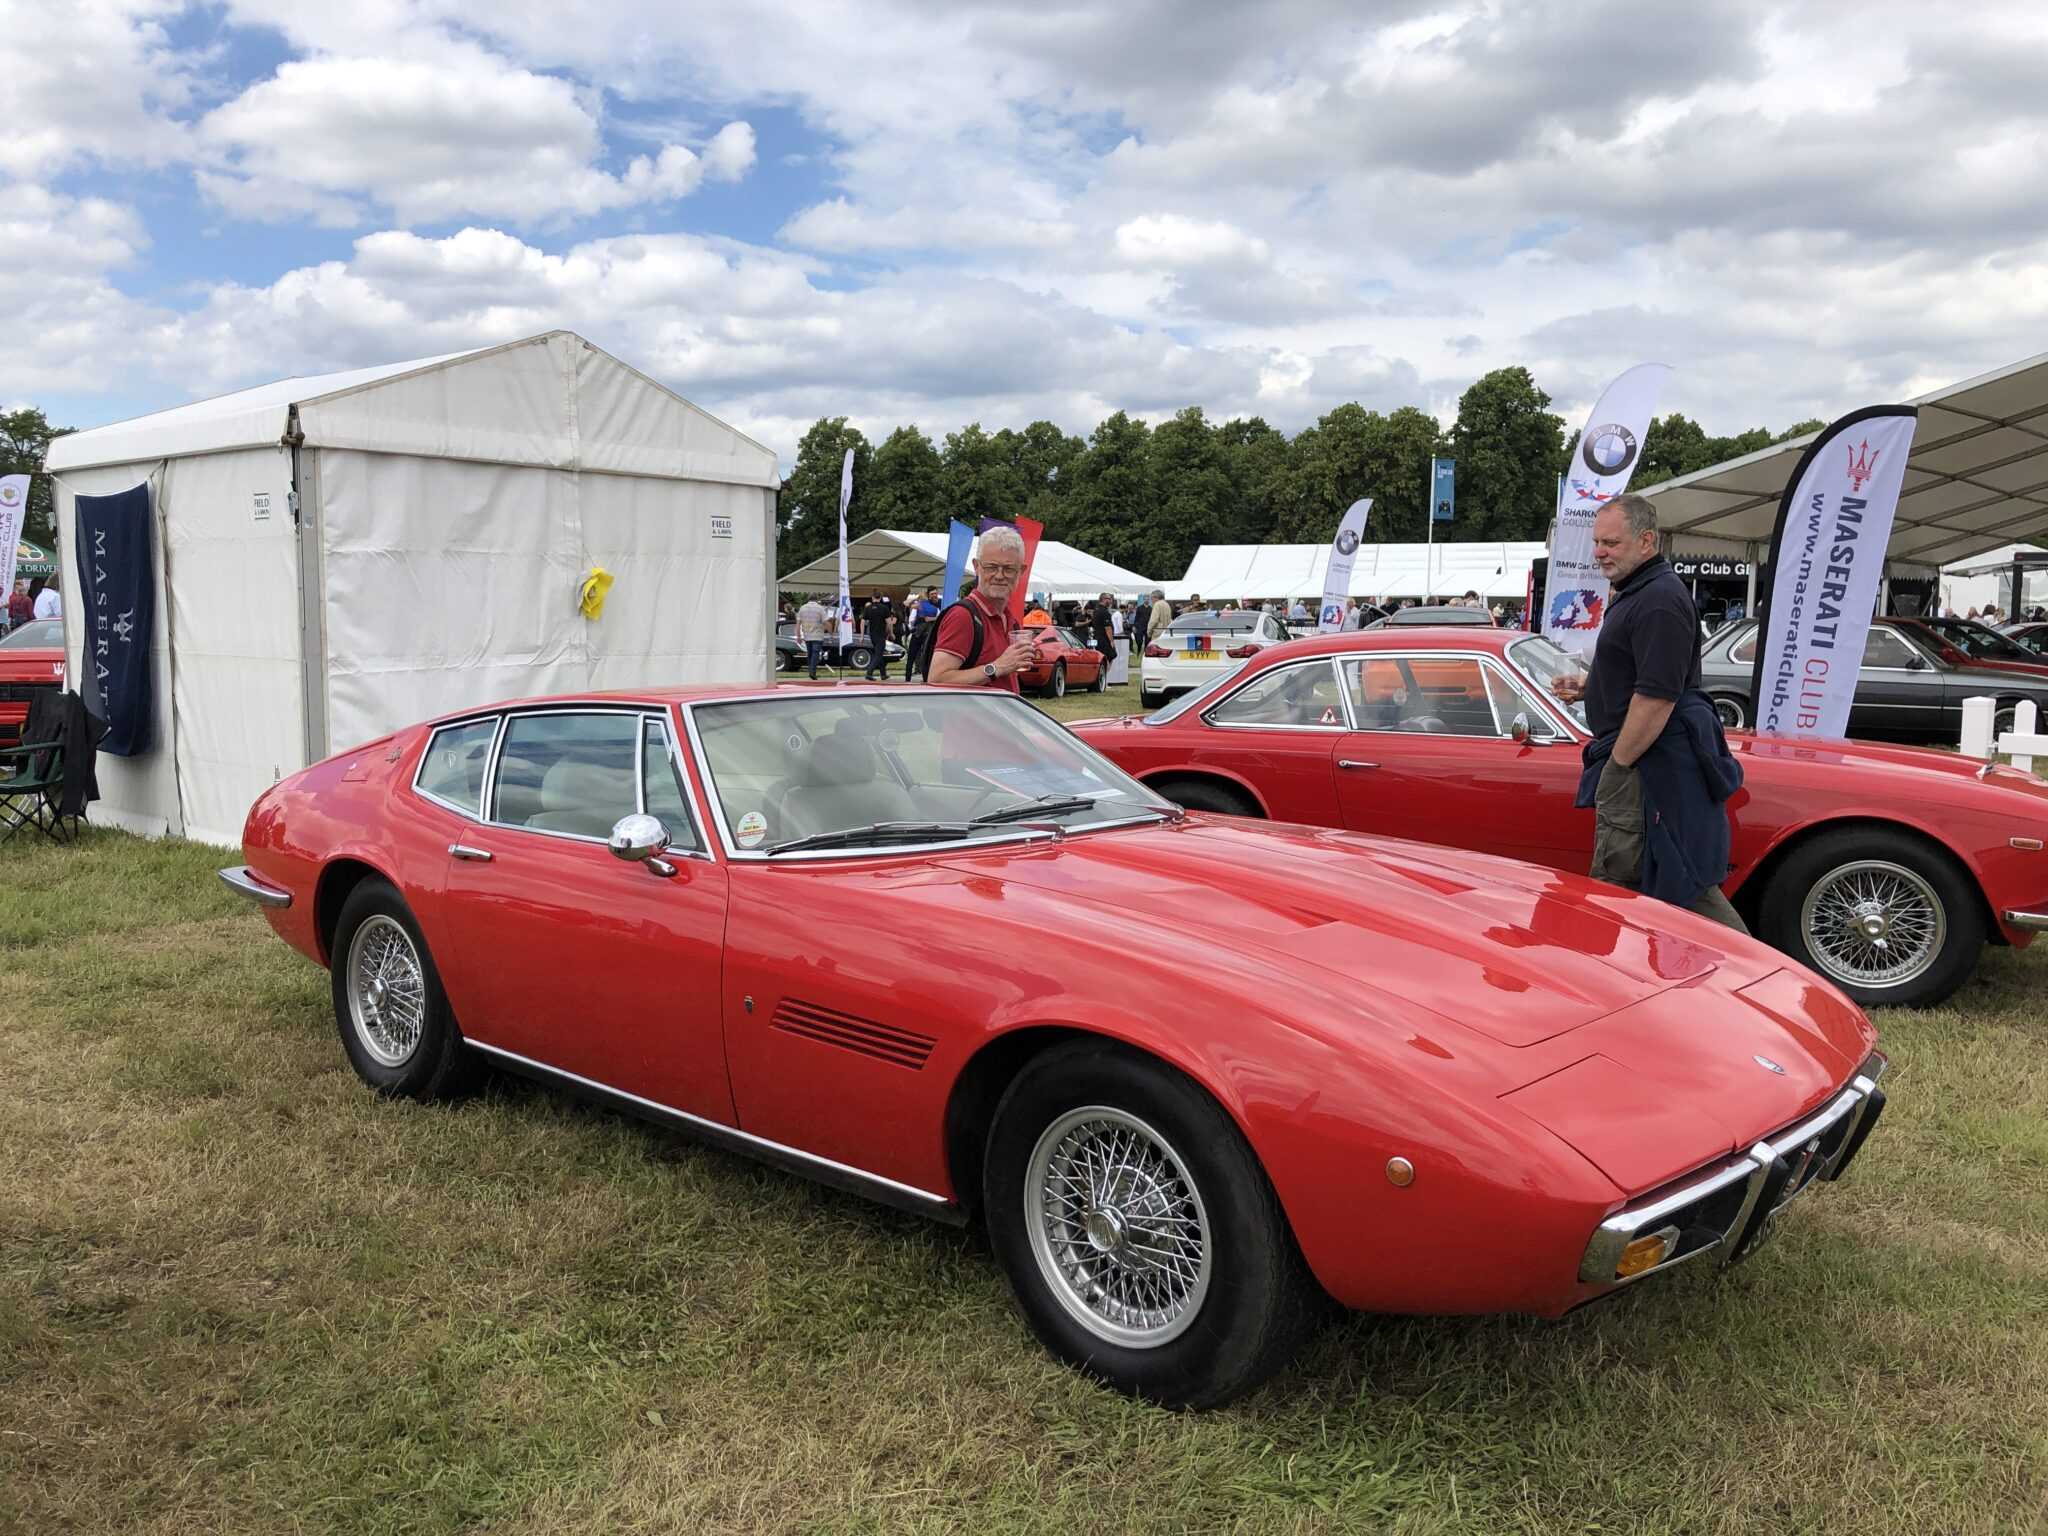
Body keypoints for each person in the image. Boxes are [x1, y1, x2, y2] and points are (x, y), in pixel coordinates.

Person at [1548, 494, 1746, 933]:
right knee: (1667, 884)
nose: (1600, 552)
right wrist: (1591, 689)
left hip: (1649, 769)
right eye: (1597, 542)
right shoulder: (1639, 591)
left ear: (1646, 541)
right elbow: (1644, 678)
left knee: (1654, 884)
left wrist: (1618, 766)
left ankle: (1757, 984)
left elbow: (1657, 699)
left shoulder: (1657, 600)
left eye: (1611, 543)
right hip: (1648, 763)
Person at [927, 526, 1038, 690]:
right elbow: (936, 679)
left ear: (1021, 571)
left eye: (1008, 569)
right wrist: (997, 667)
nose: (999, 575)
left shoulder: (1010, 620)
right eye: (991, 567)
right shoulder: (963, 616)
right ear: (976, 566)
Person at [796, 593, 832, 679]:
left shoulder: (802, 608)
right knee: (815, 654)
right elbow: (826, 622)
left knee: (810, 654)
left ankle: (811, 671)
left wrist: (798, 636)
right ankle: (812, 672)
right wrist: (831, 631)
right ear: (816, 599)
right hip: (818, 635)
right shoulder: (820, 608)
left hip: (807, 635)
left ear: (808, 599)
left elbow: (798, 624)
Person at [861, 593, 894, 679]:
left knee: (879, 653)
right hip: (881, 634)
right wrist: (891, 633)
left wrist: (862, 636)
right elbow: (889, 623)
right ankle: (869, 672)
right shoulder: (884, 608)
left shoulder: (868, 608)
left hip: (872, 635)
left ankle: (883, 674)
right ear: (880, 598)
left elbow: (862, 622)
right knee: (878, 655)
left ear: (872, 598)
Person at [1089, 591, 1115, 662]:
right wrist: (1111, 641)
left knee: (1103, 659)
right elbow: (1108, 628)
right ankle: (1104, 673)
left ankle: (1103, 672)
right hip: (1104, 640)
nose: (1110, 601)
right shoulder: (1104, 612)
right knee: (1109, 657)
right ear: (1103, 599)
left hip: (1097, 638)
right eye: (1109, 599)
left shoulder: (1096, 610)